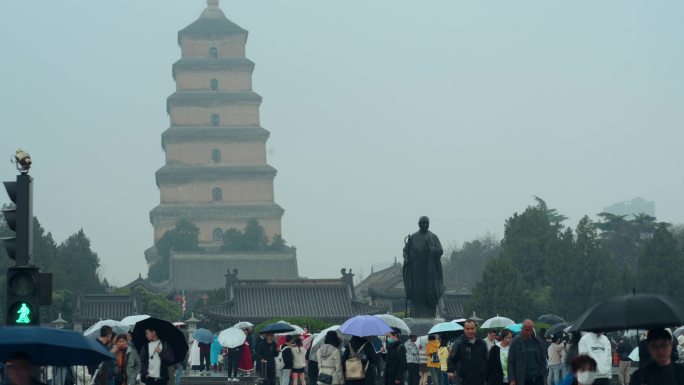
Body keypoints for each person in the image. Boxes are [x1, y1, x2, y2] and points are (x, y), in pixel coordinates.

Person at [402, 216, 445, 318]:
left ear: (429, 224)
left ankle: (430, 313)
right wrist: (409, 258)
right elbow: (405, 251)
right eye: (422, 223)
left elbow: (440, 251)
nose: (425, 225)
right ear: (419, 224)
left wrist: (431, 249)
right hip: (416, 271)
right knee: (417, 292)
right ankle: (417, 313)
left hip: (430, 270)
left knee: (430, 293)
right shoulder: (413, 238)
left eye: (426, 223)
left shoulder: (433, 237)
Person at [448, 319, 488, 385]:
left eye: (472, 328)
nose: (470, 331)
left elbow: (487, 360)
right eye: (468, 329)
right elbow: (451, 359)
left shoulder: (482, 343)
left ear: (475, 329)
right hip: (463, 380)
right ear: (464, 329)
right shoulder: (459, 343)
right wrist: (450, 370)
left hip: (480, 380)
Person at [508, 319, 547, 385]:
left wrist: (542, 373)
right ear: (522, 329)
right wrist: (512, 379)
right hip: (522, 379)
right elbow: (510, 362)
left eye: (530, 330)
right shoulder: (515, 342)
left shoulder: (538, 342)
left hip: (537, 378)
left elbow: (543, 359)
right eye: (526, 329)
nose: (528, 332)